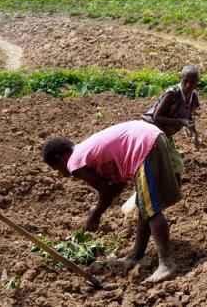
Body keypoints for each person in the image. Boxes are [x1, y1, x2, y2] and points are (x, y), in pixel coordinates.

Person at [42, 120, 183, 283]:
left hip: (143, 144)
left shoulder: (75, 162)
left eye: (57, 168)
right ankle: (136, 255)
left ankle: (166, 264)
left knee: (151, 210)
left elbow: (106, 191)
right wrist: (99, 210)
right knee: (145, 206)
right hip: (151, 136)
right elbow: (116, 186)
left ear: (60, 158)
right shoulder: (86, 151)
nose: (61, 173)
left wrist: (95, 215)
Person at [142, 65, 202, 147]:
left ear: (197, 83)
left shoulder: (193, 96)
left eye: (192, 82)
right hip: (152, 131)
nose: (188, 85)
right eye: (185, 81)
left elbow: (189, 118)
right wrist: (181, 121)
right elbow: (156, 117)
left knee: (174, 159)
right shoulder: (172, 94)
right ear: (181, 79)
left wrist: (195, 135)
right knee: (164, 158)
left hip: (164, 135)